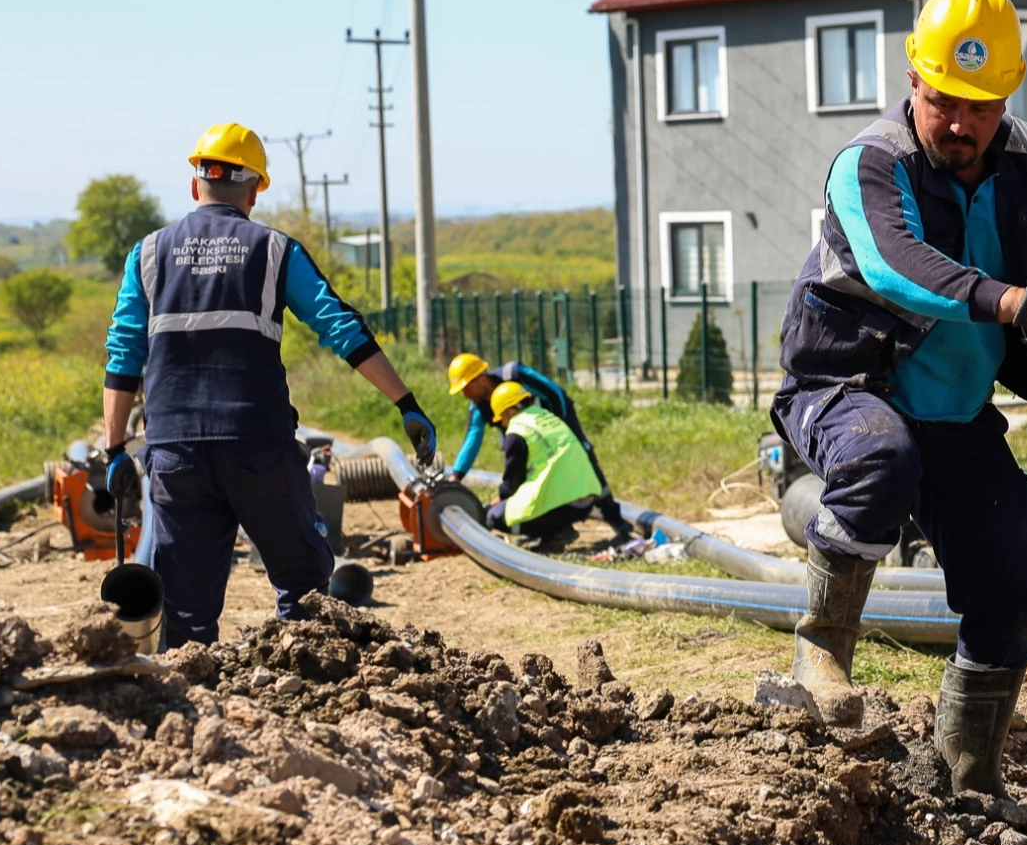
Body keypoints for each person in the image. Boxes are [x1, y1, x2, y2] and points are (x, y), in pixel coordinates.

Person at [770, 0, 1027, 794]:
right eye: (945, 101)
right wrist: (1018, 301)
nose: (962, 124)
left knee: (1013, 591)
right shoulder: (869, 164)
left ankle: (965, 780)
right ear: (914, 80)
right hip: (847, 387)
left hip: (955, 413)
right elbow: (900, 266)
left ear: (1006, 98)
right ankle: (823, 647)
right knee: (880, 458)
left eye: (983, 106)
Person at [102, 123, 438, 648]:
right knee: (306, 594)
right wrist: (406, 403)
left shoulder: (146, 255)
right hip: (258, 447)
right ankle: (307, 704)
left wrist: (115, 449)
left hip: (175, 453)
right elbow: (340, 326)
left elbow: (123, 355)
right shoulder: (275, 250)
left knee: (186, 617)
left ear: (196, 186)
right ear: (255, 189)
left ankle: (193, 717)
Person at [445, 352, 633, 539]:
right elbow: (473, 436)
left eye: (467, 388)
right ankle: (545, 525)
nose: (465, 395)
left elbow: (555, 394)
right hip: (525, 435)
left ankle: (614, 518)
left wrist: (561, 432)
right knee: (523, 470)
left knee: (583, 455)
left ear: (482, 380)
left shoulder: (515, 375)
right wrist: (457, 476)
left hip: (556, 423)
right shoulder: (479, 406)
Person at [484, 381, 603, 550]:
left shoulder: (517, 430)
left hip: (562, 501)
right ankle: (558, 531)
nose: (502, 424)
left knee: (494, 517)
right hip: (585, 498)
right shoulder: (546, 416)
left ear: (510, 410)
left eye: (502, 417)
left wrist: (493, 503)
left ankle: (553, 534)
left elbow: (512, 482)